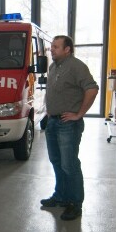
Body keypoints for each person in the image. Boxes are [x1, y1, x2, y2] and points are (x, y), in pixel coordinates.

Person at [40, 35, 99, 221]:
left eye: (56, 47)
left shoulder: (76, 66)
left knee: (69, 164)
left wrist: (79, 114)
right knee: (56, 161)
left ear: (67, 49)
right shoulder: (53, 67)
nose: (52, 49)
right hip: (53, 122)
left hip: (68, 124)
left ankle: (75, 203)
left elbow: (92, 88)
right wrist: (49, 112)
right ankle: (61, 196)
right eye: (52, 46)